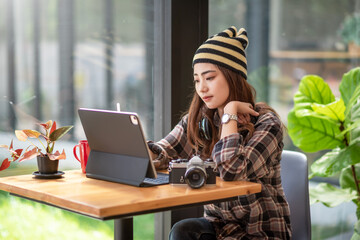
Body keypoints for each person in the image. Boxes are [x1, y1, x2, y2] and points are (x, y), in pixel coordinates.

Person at [147, 26, 292, 240]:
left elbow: (231, 171)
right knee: (182, 231)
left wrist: (230, 112)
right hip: (222, 229)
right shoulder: (201, 120)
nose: (201, 88)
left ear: (232, 76)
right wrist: (141, 154)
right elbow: (164, 150)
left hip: (260, 233)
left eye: (210, 78)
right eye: (197, 79)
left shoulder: (267, 123)